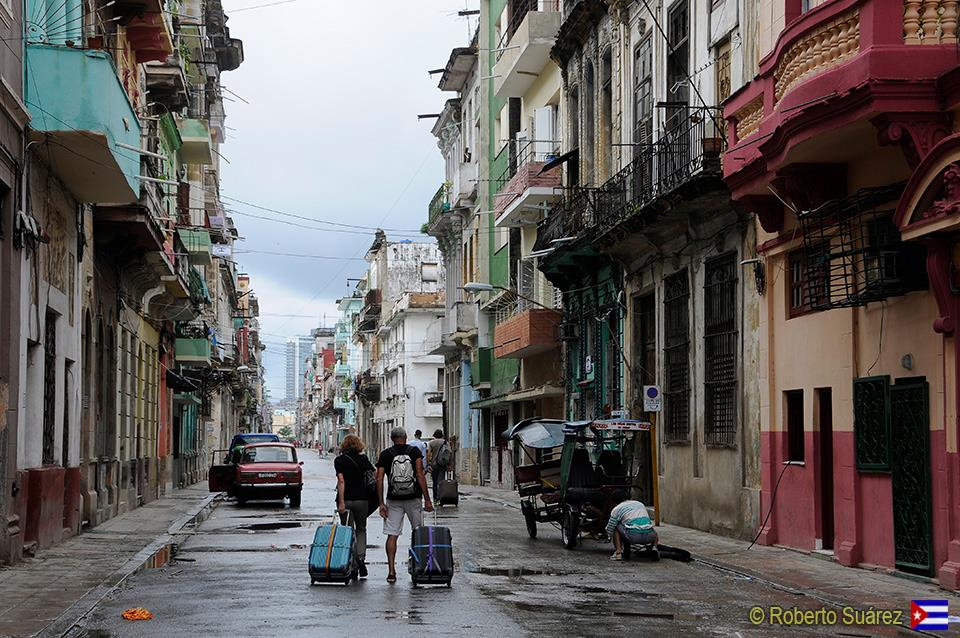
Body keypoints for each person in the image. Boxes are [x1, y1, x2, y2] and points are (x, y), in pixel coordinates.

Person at [376, 426, 433, 583]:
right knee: (418, 533)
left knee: (392, 534)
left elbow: (379, 479)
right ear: (406, 437)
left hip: (393, 499)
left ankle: (391, 571)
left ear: (391, 438)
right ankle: (419, 566)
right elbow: (420, 475)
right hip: (413, 497)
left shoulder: (385, 454)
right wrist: (427, 499)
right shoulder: (414, 452)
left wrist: (381, 502)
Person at [334, 435, 375, 578]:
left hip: (346, 499)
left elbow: (341, 481)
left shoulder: (339, 460)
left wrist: (341, 502)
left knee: (348, 532)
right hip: (362, 499)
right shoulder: (363, 459)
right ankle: (361, 559)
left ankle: (352, 564)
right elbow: (373, 474)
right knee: (361, 530)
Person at [605, 490, 658, 561]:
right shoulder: (640, 504)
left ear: (614, 500)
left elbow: (610, 528)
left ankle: (618, 553)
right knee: (647, 525)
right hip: (651, 536)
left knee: (616, 527)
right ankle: (654, 547)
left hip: (633, 536)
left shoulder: (617, 509)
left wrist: (608, 536)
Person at [426, 429, 450, 499]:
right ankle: (441, 497)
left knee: (435, 482)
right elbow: (449, 453)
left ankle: (435, 498)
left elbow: (428, 454)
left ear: (435, 435)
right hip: (442, 465)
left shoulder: (431, 443)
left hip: (434, 465)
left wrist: (428, 464)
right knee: (441, 482)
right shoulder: (446, 442)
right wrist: (449, 464)